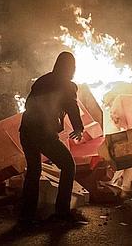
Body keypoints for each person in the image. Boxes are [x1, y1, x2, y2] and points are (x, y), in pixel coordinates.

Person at [18, 52, 84, 225]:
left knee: (33, 171)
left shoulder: (42, 80)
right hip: (43, 133)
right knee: (68, 166)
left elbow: (28, 104)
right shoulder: (67, 85)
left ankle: (27, 216)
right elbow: (72, 107)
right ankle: (62, 213)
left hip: (26, 131)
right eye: (73, 67)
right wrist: (79, 127)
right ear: (70, 68)